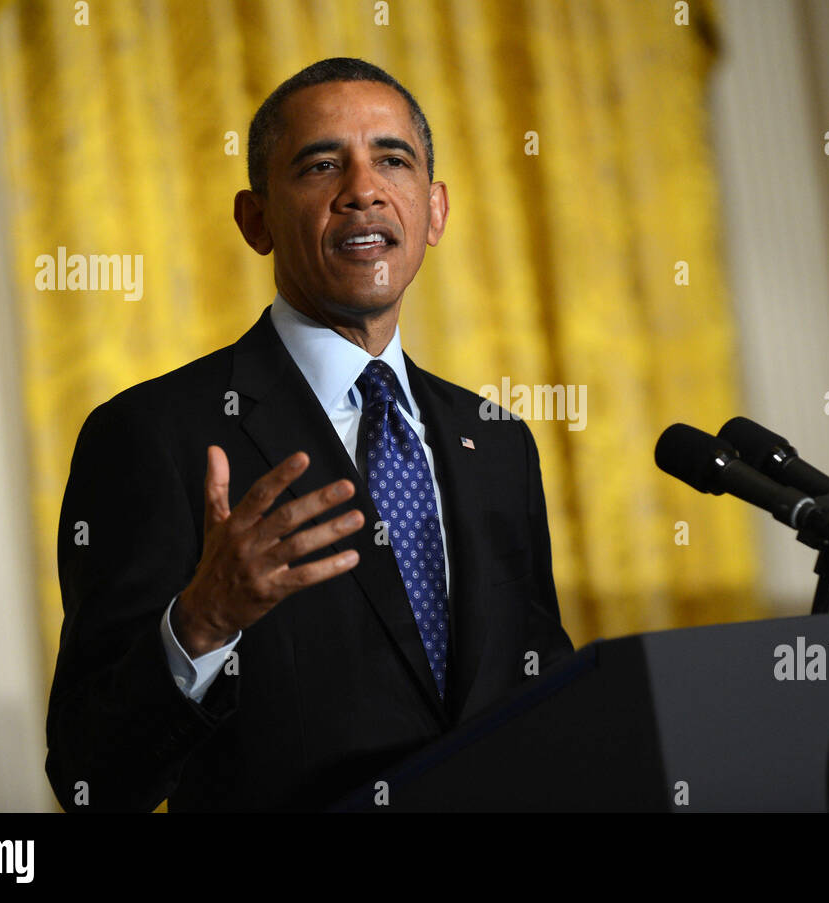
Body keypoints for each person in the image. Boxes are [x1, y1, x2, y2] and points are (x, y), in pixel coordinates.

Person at [45, 58, 575, 812]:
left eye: (393, 159)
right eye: (322, 164)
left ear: (435, 211)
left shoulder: (496, 443)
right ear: (254, 221)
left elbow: (538, 691)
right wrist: (204, 621)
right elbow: (88, 778)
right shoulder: (154, 436)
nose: (363, 189)